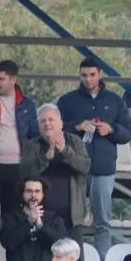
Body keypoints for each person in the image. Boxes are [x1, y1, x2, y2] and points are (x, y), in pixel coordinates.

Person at [57, 58, 131, 260]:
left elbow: (128, 132)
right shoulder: (67, 101)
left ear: (100, 74)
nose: (88, 79)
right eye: (84, 75)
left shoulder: (115, 101)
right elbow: (54, 129)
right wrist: (76, 127)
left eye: (92, 75)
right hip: (74, 168)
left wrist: (111, 129)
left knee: (102, 221)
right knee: (72, 219)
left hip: (103, 168)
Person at [20, 104, 90, 246]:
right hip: (43, 215)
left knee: (73, 256)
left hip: (71, 215)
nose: (47, 123)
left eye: (51, 119)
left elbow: (85, 167)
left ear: (61, 123)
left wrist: (64, 151)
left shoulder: (74, 141)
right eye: (43, 121)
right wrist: (45, 159)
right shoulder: (31, 145)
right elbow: (24, 174)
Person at [0, 59, 40, 214]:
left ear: (13, 79)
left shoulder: (27, 104)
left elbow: (34, 135)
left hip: (17, 167)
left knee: (13, 215)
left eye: (1, 79)